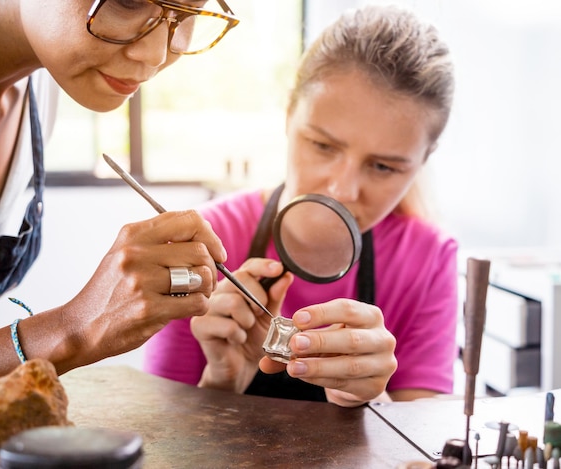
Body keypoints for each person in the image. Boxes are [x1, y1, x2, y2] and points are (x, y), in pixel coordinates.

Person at [0, 0, 239, 430]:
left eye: (188, 12)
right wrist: (72, 330)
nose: (153, 55)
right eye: (128, 1)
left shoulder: (41, 89)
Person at [143, 4, 458, 406]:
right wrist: (221, 384)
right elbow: (160, 451)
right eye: (323, 145)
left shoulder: (429, 258)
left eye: (383, 167)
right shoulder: (203, 240)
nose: (342, 190)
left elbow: (424, 454)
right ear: (289, 116)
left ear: (421, 163)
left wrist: (369, 399)